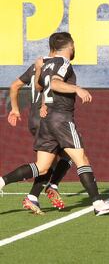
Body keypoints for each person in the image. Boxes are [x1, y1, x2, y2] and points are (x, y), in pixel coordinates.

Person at [1, 32, 109, 216]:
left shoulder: (45, 64)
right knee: (81, 159)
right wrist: (77, 88)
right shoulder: (64, 63)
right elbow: (56, 84)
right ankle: (98, 203)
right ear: (70, 46)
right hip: (61, 118)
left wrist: (43, 104)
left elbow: (40, 87)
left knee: (42, 166)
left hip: (46, 120)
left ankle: (2, 182)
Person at [8, 56, 73, 214]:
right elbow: (53, 88)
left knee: (57, 158)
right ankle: (51, 186)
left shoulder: (35, 66)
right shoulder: (56, 67)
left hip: (34, 120)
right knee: (61, 157)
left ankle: (33, 196)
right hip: (47, 118)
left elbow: (15, 86)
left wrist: (15, 109)